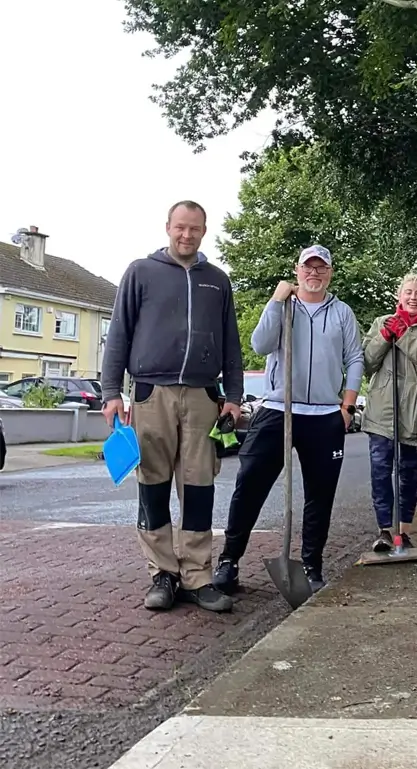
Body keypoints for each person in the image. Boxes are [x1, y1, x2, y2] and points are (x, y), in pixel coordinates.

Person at [101, 200, 244, 613]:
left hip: (203, 397)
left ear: (204, 231)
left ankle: (198, 576)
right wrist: (112, 391)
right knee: (153, 485)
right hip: (151, 394)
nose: (187, 235)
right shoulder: (140, 272)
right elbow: (119, 335)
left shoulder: (217, 280)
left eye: (195, 229)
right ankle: (162, 573)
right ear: (168, 227)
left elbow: (231, 343)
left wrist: (233, 396)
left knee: (199, 487)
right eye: (180, 227)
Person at [213, 245, 363, 595]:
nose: (314, 273)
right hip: (279, 409)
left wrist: (347, 406)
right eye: (307, 267)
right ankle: (229, 561)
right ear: (297, 271)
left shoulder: (341, 313)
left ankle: (312, 564)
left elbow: (354, 358)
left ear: (329, 272)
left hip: (324, 415)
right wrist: (275, 302)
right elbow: (260, 343)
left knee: (320, 495)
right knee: (249, 485)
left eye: (320, 268)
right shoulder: (283, 307)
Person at [361, 274, 417, 551]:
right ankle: (384, 530)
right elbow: (366, 363)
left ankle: (404, 531)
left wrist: (405, 335)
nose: (413, 297)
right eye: (408, 292)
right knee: (380, 471)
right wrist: (385, 336)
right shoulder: (381, 323)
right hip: (382, 411)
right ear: (399, 296)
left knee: (409, 473)